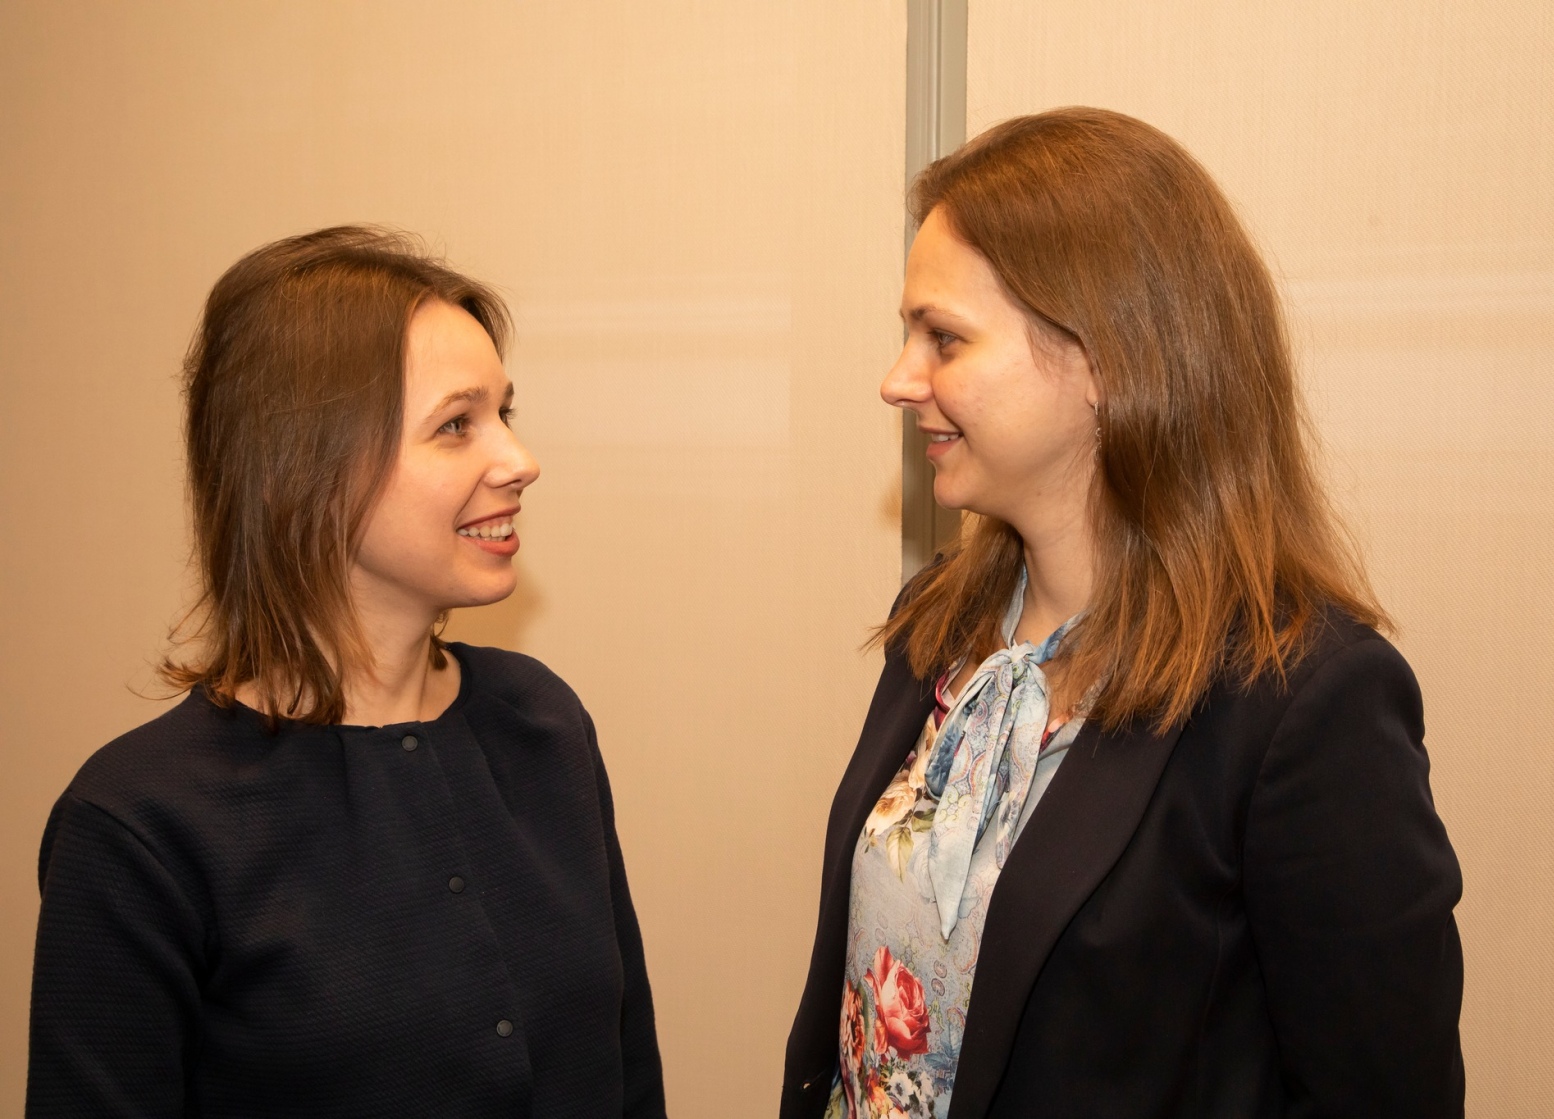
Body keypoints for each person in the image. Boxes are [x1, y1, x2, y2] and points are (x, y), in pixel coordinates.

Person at [781, 109, 1464, 1119]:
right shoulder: (941, 628)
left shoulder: (1304, 707)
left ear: (1104, 357)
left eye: (944, 338)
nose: (898, 380)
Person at [27, 227, 665, 1118]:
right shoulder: (140, 825)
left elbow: (630, 1076)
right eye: (456, 424)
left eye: (505, 413)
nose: (520, 461)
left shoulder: (543, 723)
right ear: (310, 467)